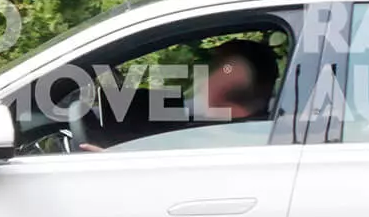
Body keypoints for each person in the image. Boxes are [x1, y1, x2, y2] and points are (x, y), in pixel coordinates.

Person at [79, 38, 279, 151]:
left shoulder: (233, 146)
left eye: (217, 68)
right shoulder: (237, 131)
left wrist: (113, 162)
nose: (204, 75)